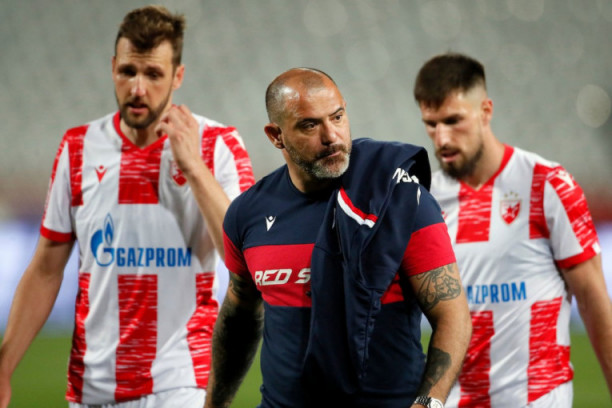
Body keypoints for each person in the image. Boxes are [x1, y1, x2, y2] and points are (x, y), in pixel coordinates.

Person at [0, 6, 254, 408]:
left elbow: (243, 260)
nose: (137, 88)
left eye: (153, 74)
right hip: (93, 388)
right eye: (128, 71)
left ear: (178, 76)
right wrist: (3, 367)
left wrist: (192, 167)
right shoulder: (78, 148)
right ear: (112, 69)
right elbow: (46, 269)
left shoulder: (218, 145)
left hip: (182, 385)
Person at [204, 67, 472, 408]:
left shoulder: (401, 200)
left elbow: (452, 316)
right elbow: (239, 316)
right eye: (309, 125)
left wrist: (428, 403)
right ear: (276, 135)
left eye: (337, 117)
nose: (331, 136)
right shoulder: (247, 214)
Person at [414, 52, 612, 407]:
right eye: (431, 124)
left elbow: (593, 299)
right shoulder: (426, 201)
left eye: (453, 121)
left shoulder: (547, 185)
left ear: (485, 111)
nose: (441, 138)